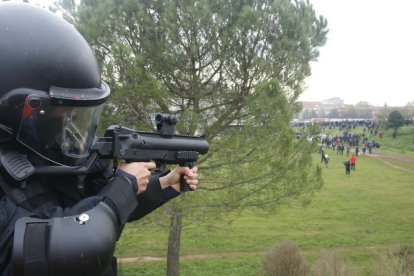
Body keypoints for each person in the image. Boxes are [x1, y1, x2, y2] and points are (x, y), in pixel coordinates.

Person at [0, 3, 199, 276]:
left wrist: (163, 186)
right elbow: (67, 246)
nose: (68, 124)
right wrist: (122, 187)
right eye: (60, 114)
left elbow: (98, 210)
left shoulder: (42, 154)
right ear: (16, 107)